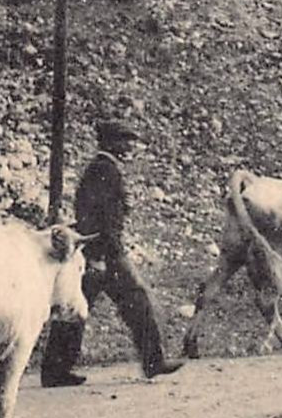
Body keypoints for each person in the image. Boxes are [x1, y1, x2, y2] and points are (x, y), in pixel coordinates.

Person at [41, 118, 184, 387]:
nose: (130, 145)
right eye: (124, 140)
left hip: (101, 250)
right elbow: (98, 217)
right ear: (110, 143)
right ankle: (153, 362)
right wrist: (99, 256)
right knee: (133, 299)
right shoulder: (104, 169)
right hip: (104, 252)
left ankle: (55, 371)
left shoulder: (104, 168)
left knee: (77, 307)